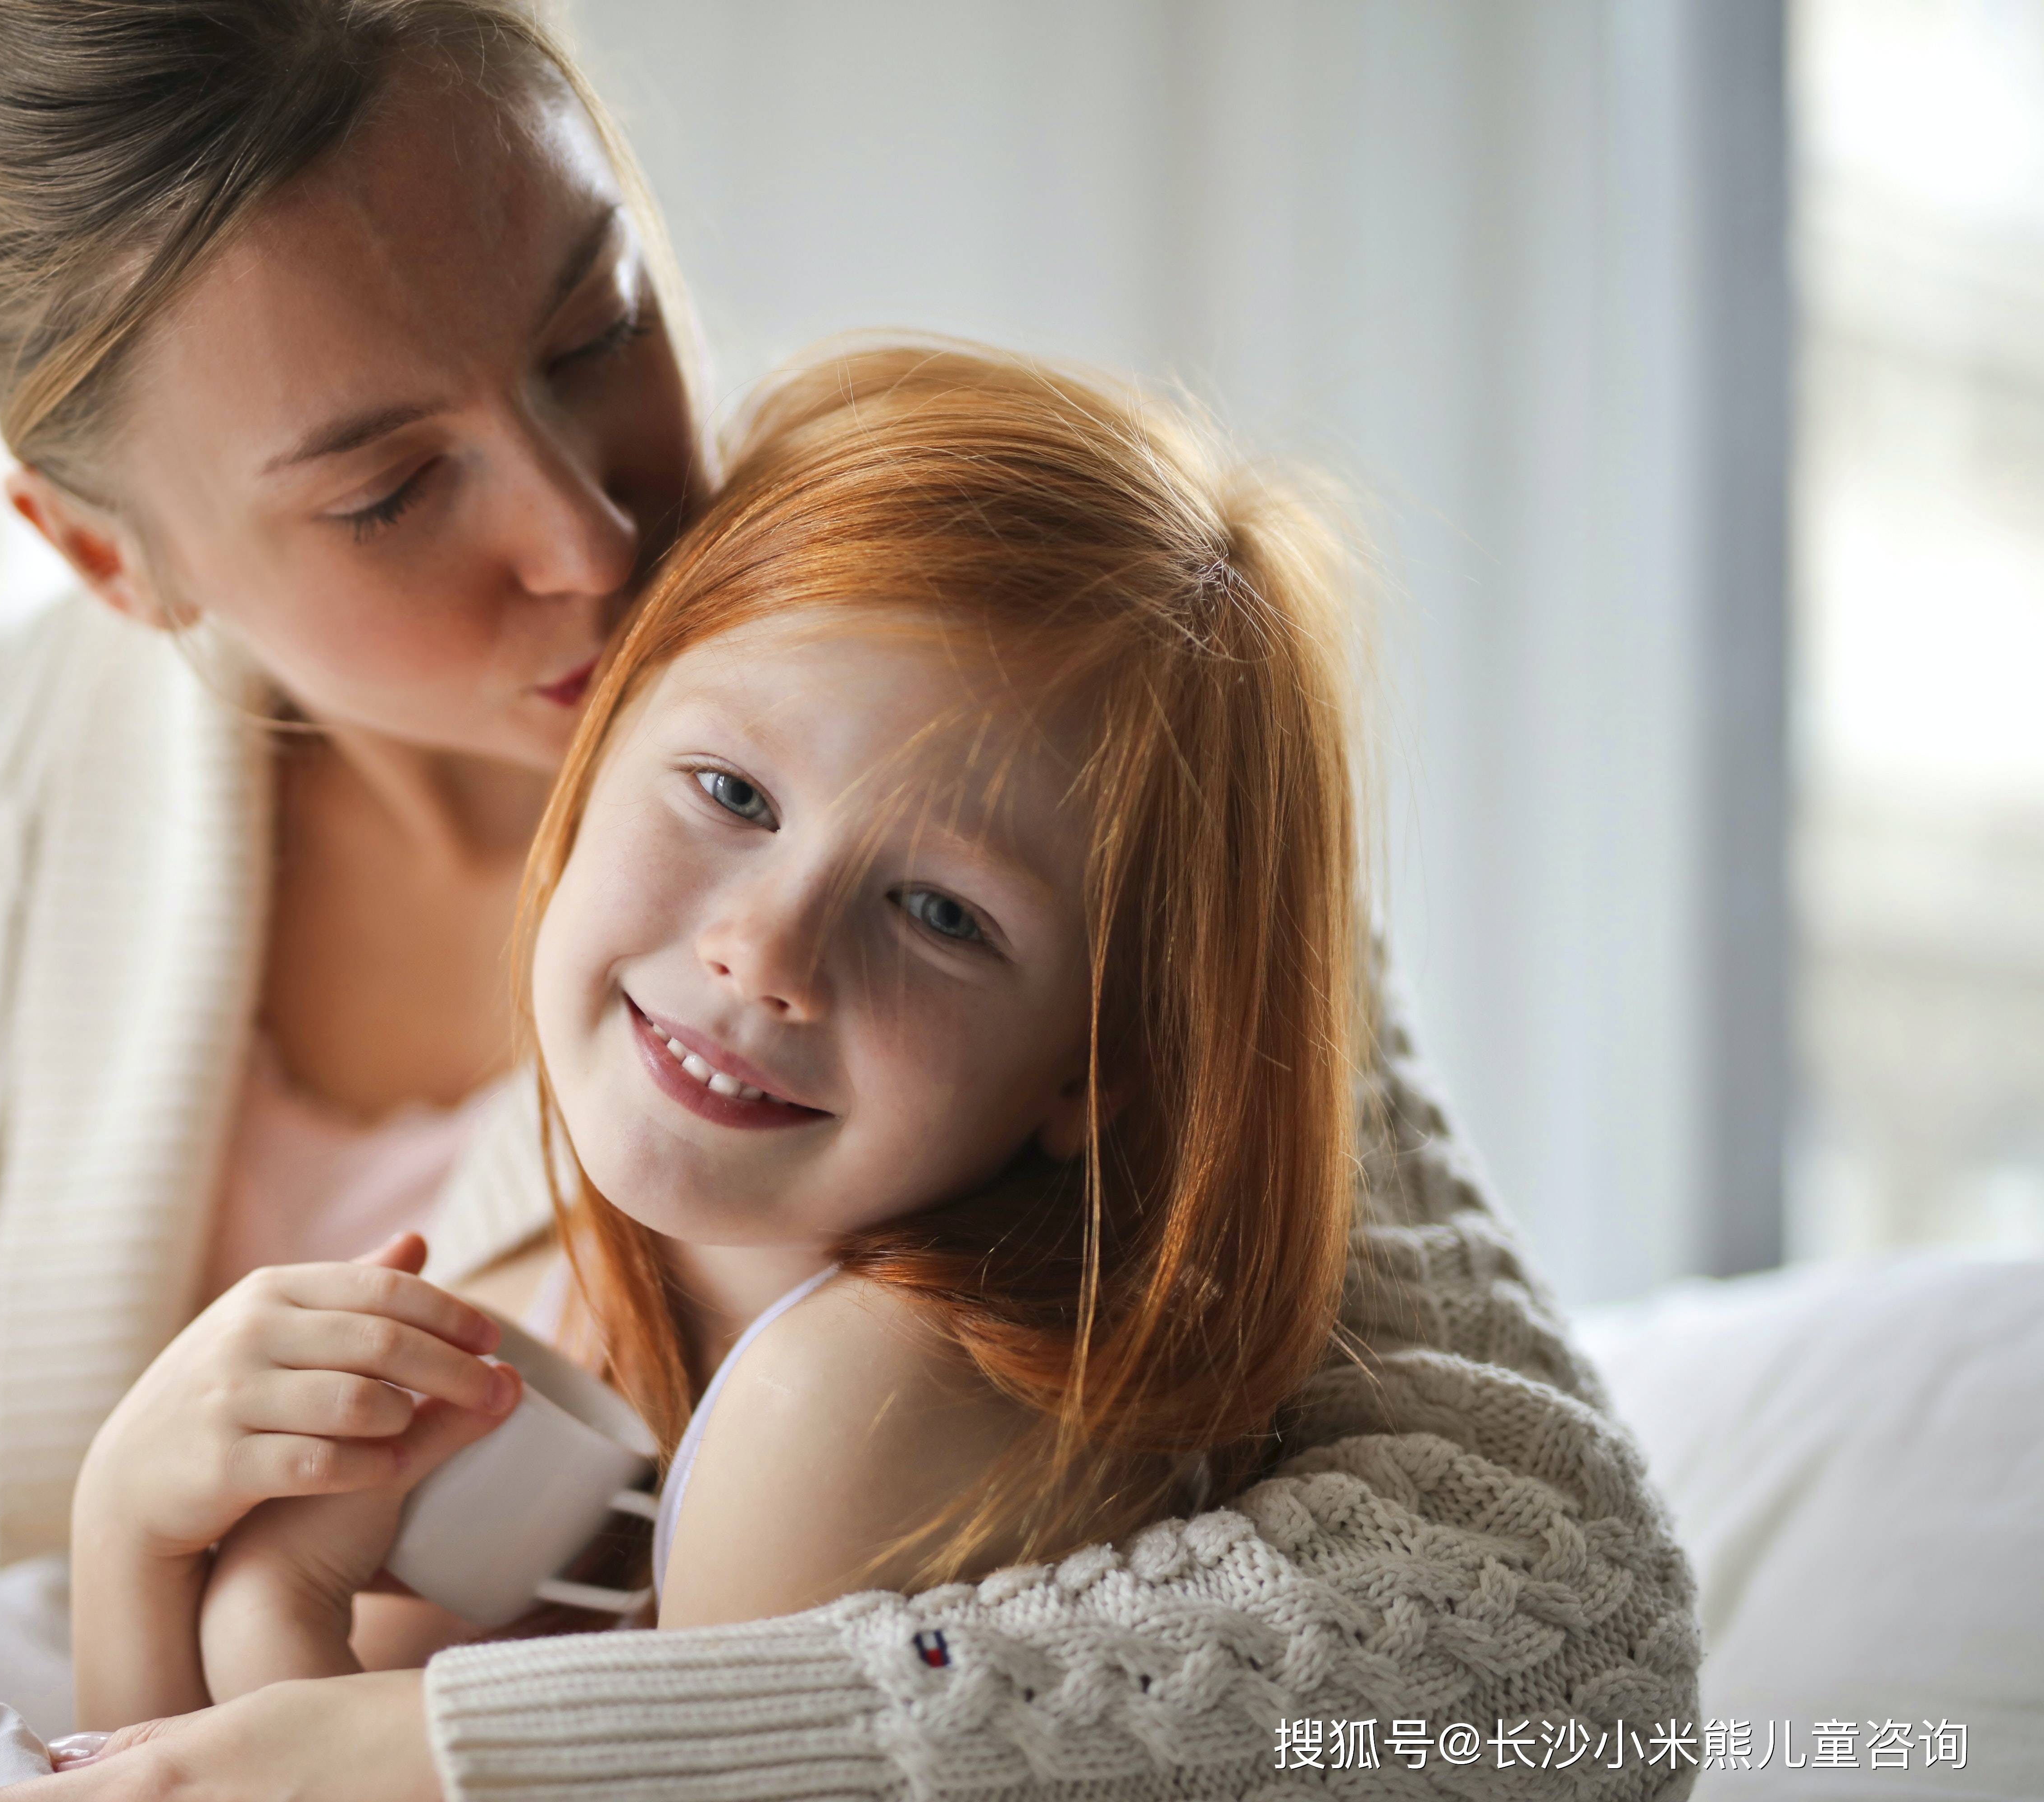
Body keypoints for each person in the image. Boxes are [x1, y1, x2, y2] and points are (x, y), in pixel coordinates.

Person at [0, 3, 1700, 1796]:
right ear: (113, 558)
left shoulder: (984, 685)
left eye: (597, 325)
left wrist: (473, 1760)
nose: (596, 532)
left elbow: (1560, 1630)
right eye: (390, 489)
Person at [78, 340, 1373, 1723]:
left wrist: (264, 1611)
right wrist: (133, 1540)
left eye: (942, 912)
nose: (764, 955)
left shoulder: (864, 1406)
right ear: (594, 749)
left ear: (1092, 1070)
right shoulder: (585, 1283)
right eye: (732, 793)